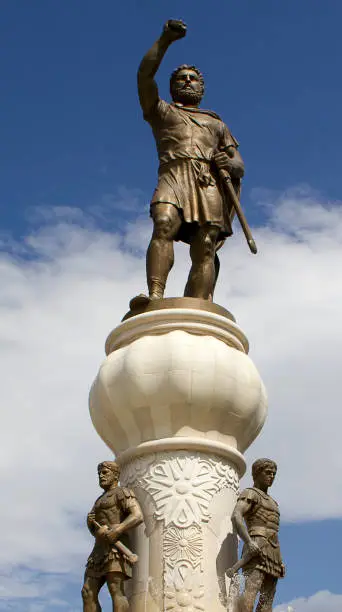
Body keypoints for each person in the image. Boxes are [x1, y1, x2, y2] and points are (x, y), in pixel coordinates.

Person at [137, 19, 245, 302]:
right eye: (180, 78)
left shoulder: (216, 123)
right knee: (163, 222)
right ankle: (155, 297)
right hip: (173, 175)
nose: (187, 81)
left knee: (206, 244)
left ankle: (197, 305)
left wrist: (228, 162)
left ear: (202, 87)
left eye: (192, 78)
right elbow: (144, 77)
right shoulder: (161, 112)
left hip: (206, 181)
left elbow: (239, 165)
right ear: (171, 87)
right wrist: (165, 41)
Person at [81, 461, 143, 612]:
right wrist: (91, 525)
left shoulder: (122, 492)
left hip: (117, 548)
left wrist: (118, 529)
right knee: (87, 591)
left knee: (115, 590)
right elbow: (96, 530)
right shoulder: (99, 500)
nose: (101, 476)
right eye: (99, 474)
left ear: (115, 475)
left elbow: (137, 516)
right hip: (98, 550)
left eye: (105, 473)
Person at [230, 458, 285, 611]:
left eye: (274, 474)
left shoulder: (274, 503)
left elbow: (273, 531)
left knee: (267, 599)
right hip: (255, 545)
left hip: (273, 550)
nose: (272, 476)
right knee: (250, 593)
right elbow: (236, 516)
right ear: (257, 474)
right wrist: (248, 542)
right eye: (268, 473)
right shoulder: (250, 493)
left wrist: (279, 560)